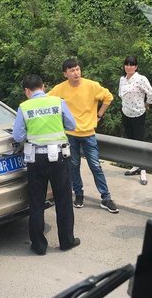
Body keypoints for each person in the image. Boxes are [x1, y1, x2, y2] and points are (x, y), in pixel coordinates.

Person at [12, 74, 80, 255]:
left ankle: (39, 246)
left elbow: (17, 136)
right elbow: (72, 125)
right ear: (44, 86)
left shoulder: (24, 107)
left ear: (27, 91)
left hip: (36, 159)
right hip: (59, 157)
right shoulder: (57, 102)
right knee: (63, 201)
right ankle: (66, 241)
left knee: (36, 202)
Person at [48, 58, 119, 213]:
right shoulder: (60, 89)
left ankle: (106, 198)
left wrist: (99, 115)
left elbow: (109, 97)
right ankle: (79, 195)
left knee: (95, 165)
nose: (76, 73)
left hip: (88, 133)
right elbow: (47, 101)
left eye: (78, 69)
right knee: (73, 166)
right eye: (72, 70)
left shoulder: (91, 86)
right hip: (70, 134)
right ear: (65, 74)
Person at [119, 56, 152, 185]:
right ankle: (135, 165)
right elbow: (121, 95)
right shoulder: (122, 80)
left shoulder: (141, 79)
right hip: (126, 113)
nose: (129, 67)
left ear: (136, 66)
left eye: (132, 65)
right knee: (130, 141)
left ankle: (143, 169)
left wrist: (147, 104)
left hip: (138, 113)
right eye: (127, 64)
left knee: (139, 141)